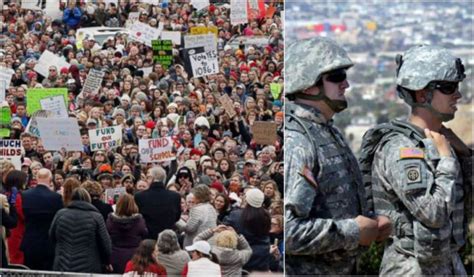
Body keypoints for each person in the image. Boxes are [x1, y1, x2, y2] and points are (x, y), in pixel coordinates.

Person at [360, 45, 471, 275]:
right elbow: (433, 213)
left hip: (449, 264)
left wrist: (467, 157)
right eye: (449, 88)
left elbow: (463, 205)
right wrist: (447, 160)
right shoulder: (400, 148)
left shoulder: (444, 143)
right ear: (422, 94)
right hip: (412, 267)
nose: (458, 95)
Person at [284, 37, 391, 275]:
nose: (346, 84)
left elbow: (332, 206)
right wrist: (353, 230)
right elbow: (288, 231)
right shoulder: (299, 141)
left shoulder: (325, 130)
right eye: (336, 76)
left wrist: (370, 224)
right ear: (308, 85)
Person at [49, 188, 112, 273]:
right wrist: (107, 262)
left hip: (62, 265)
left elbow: (51, 236)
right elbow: (105, 244)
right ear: (88, 199)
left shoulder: (60, 214)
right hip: (88, 267)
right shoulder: (96, 217)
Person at [21, 168, 63, 270]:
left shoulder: (25, 195)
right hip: (49, 243)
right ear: (50, 179)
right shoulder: (56, 197)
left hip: (30, 241)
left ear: (36, 178)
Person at [223, 188, 272, 272]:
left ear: (247, 199)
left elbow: (223, 228)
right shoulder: (266, 216)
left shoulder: (236, 215)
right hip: (261, 258)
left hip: (242, 257)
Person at [135, 166, 181, 239]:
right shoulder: (175, 196)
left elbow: (137, 218)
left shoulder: (139, 196)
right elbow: (177, 217)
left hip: (148, 238)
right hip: (168, 238)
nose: (146, 180)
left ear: (151, 178)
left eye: (148, 177)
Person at [106, 193, 148, 274]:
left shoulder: (111, 220)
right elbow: (145, 233)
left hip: (115, 255)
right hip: (134, 256)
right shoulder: (139, 220)